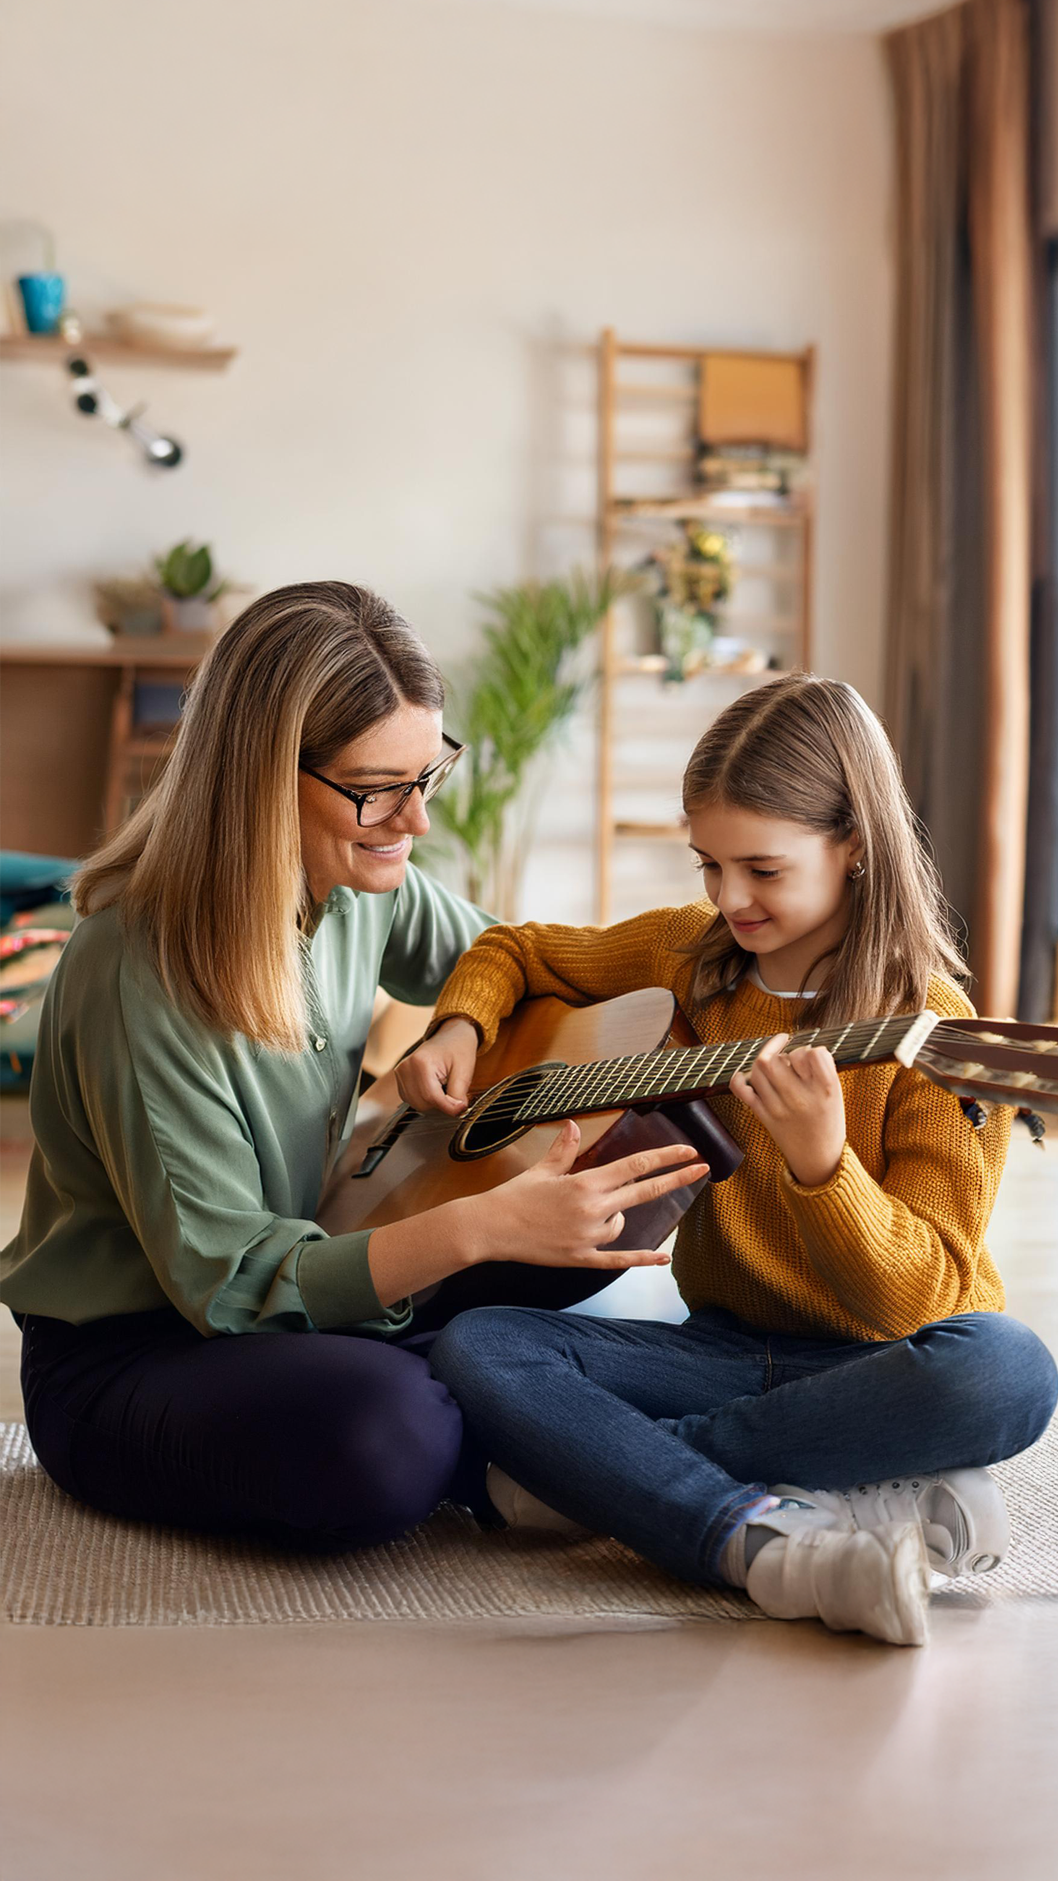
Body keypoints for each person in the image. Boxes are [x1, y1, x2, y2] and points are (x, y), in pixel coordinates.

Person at [2, 582, 703, 1550]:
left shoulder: (362, 881)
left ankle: (544, 1428)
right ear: (257, 776)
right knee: (383, 1434)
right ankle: (548, 1435)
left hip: (322, 1271)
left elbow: (517, 963)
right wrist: (474, 1230)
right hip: (141, 1354)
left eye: (429, 776)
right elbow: (233, 1286)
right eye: (377, 788)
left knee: (644, 1202)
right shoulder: (139, 968)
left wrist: (459, 1022)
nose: (414, 823)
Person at [398, 674, 1058, 1646]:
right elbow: (522, 948)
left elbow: (918, 1299)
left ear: (857, 848)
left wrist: (823, 1170)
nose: (729, 898)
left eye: (763, 869)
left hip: (876, 1360)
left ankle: (643, 1486)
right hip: (715, 1347)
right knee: (484, 1342)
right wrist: (460, 1025)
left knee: (1010, 1374)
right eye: (709, 864)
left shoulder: (938, 1035)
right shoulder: (689, 953)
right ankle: (803, 1495)